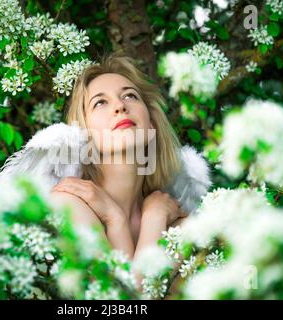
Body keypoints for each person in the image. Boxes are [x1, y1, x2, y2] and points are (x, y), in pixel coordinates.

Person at [49, 52, 188, 270]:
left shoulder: (176, 226)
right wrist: (119, 220)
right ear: (83, 134)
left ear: (151, 125)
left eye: (130, 96)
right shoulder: (67, 204)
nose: (120, 107)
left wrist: (155, 215)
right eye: (100, 102)